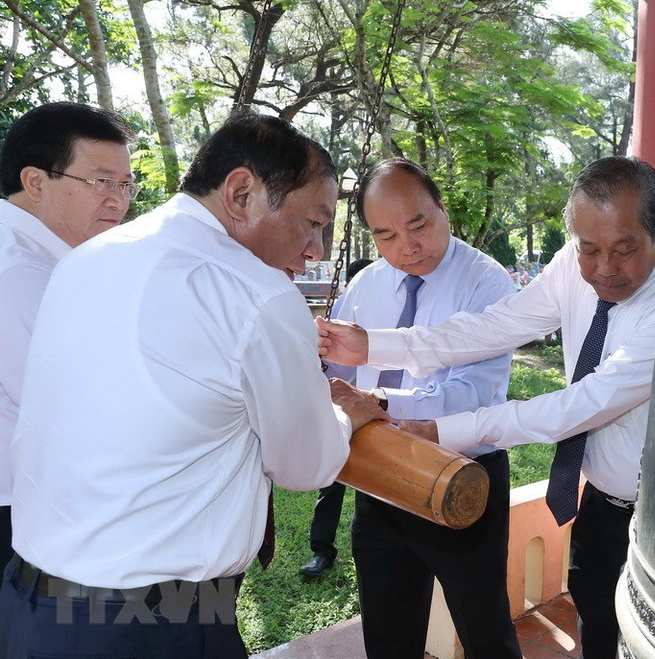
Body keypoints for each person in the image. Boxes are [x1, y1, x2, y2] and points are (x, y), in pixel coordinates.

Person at [0, 112, 387, 659]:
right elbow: (306, 464)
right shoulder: (257, 294)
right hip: (152, 623)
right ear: (242, 191)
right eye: (312, 222)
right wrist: (348, 414)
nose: (316, 249)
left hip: (32, 601)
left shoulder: (87, 259)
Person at [317, 156, 655, 659]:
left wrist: (442, 431)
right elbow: (494, 327)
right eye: (589, 249)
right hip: (600, 500)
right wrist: (373, 346)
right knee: (597, 630)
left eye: (624, 249)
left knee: (647, 642)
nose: (604, 268)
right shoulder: (572, 266)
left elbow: (578, 407)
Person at [318, 157, 521, 659]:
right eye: (385, 235)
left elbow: (474, 390)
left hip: (460, 473)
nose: (406, 247)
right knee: (388, 632)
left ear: (441, 208)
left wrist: (381, 402)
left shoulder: (486, 283)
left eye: (418, 225)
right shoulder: (365, 286)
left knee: (485, 629)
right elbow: (336, 377)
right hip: (379, 477)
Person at [0, 102, 137, 573]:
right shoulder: (21, 271)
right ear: (36, 182)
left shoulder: (39, 257)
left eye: (124, 184)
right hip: (17, 509)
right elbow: (78, 411)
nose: (118, 200)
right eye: (101, 182)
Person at [300, 257, 373, 579]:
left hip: (378, 417)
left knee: (375, 490)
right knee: (331, 484)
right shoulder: (339, 322)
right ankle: (322, 550)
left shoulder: (385, 326)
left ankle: (371, 552)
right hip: (342, 414)